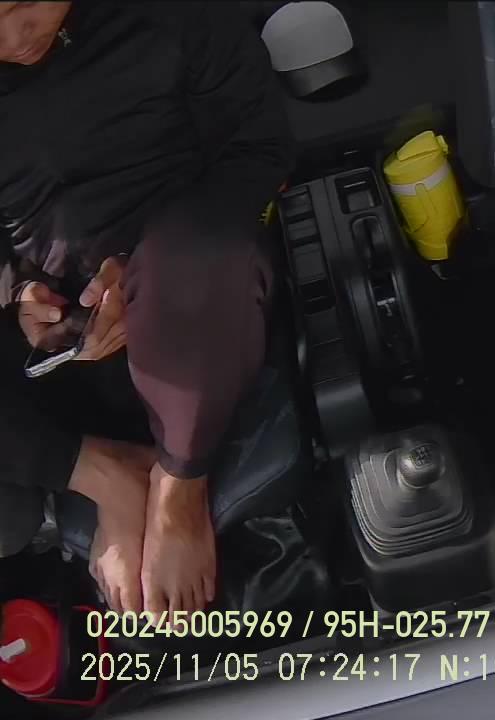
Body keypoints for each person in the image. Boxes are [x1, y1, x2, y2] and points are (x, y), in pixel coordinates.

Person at [0, 2, 292, 616]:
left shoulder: (167, 15)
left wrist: (137, 269)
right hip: (55, 352)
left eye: (25, 4)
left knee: (189, 254)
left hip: (197, 301)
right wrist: (18, 293)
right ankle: (106, 474)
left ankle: (179, 488)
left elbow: (260, 149)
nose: (14, 37)